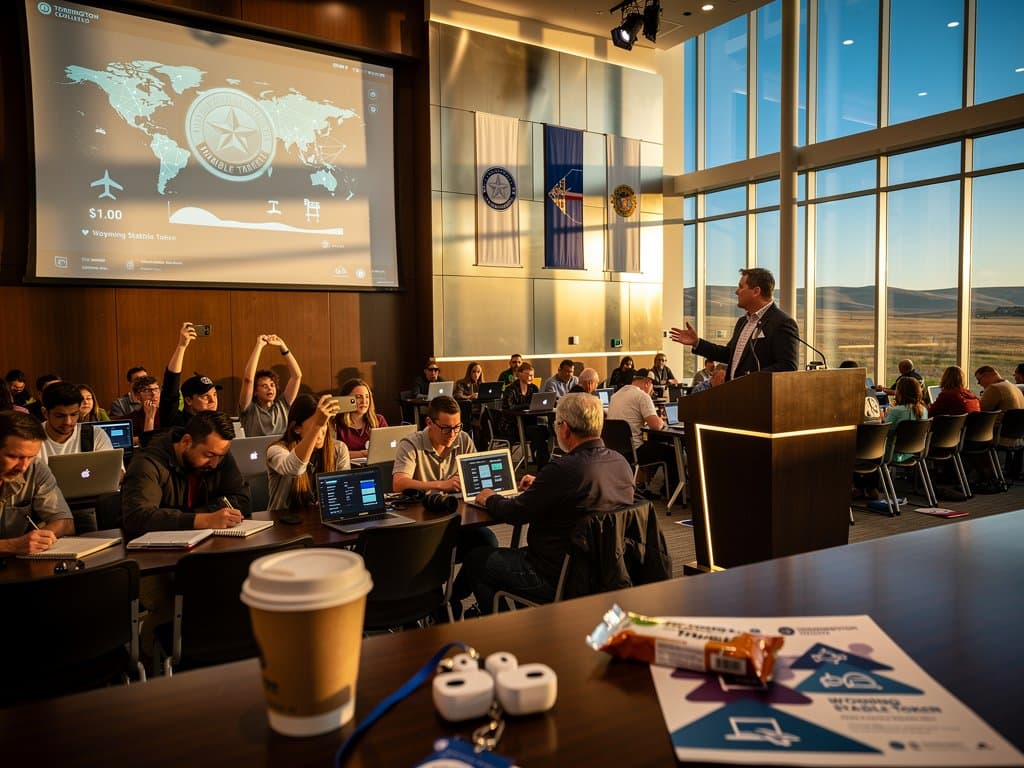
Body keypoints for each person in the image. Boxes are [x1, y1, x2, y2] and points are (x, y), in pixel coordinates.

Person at [459, 393, 636, 614]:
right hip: (604, 571)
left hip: (554, 575)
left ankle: (502, 626)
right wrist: (542, 485)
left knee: (477, 559)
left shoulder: (563, 469)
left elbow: (515, 513)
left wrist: (490, 497)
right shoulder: (621, 463)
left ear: (565, 428)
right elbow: (580, 496)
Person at [121, 411, 250, 538]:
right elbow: (137, 518)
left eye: (220, 456)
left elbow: (242, 499)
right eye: (208, 455)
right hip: (155, 553)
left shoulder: (218, 455)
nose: (215, 464)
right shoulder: (147, 464)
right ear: (186, 441)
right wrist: (202, 520)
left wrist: (199, 515)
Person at [670, 267, 799, 380]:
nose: (736, 292)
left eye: (741, 287)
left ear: (756, 291)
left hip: (760, 399)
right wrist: (697, 342)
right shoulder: (743, 322)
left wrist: (749, 378)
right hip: (736, 396)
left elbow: (788, 365)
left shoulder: (782, 322)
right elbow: (729, 355)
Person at [0, 411, 74, 555]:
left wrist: (37, 540)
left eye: (30, 457)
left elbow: (65, 523)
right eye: (13, 457)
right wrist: (12, 546)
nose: (23, 467)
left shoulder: (35, 467)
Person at [267, 394, 350, 511]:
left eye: (324, 424)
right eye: (316, 424)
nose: (321, 432)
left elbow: (343, 493)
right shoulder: (276, 450)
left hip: (322, 521)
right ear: (296, 428)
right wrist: (317, 425)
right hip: (285, 523)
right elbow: (294, 469)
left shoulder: (339, 449)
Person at [853, 377, 928, 500]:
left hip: (892, 453)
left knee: (866, 451)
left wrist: (882, 418)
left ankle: (861, 488)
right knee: (874, 452)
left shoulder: (897, 411)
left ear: (901, 392)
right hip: (913, 452)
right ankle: (869, 489)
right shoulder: (923, 410)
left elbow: (884, 431)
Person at [607, 368, 676, 494]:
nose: (652, 391)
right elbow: (656, 426)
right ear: (647, 382)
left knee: (654, 444)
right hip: (634, 451)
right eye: (652, 386)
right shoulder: (642, 396)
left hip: (615, 449)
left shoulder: (615, 396)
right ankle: (672, 492)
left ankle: (645, 485)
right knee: (671, 452)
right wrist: (661, 420)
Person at [392, 396, 476, 493]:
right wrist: (441, 485)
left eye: (457, 427)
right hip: (422, 506)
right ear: (429, 423)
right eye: (446, 428)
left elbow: (476, 475)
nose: (452, 434)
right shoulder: (410, 444)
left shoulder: (463, 439)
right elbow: (399, 484)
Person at [158, 322, 222, 435]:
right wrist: (181, 346)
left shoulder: (217, 422)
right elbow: (170, 387)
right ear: (188, 400)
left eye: (214, 394)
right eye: (205, 396)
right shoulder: (176, 420)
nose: (213, 401)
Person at [238, 334, 303, 437]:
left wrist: (283, 346)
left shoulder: (283, 404)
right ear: (255, 391)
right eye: (264, 386)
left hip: (283, 451)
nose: (270, 388)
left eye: (272, 385)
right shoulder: (249, 409)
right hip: (256, 452)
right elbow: (248, 379)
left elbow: (297, 376)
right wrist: (259, 345)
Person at [36, 382, 117, 464]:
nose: (68, 422)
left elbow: (116, 471)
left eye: (74, 414)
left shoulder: (95, 435)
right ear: (45, 413)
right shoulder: (31, 437)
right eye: (60, 416)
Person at [498, 361, 550, 468]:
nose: (531, 377)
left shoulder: (533, 388)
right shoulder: (511, 389)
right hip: (512, 426)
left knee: (543, 430)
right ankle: (541, 465)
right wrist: (527, 406)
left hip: (528, 423)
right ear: (520, 374)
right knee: (539, 432)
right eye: (529, 375)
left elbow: (536, 403)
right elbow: (509, 407)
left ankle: (541, 462)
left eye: (532, 375)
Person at [334, 378, 388, 459]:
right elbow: (333, 453)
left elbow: (387, 448)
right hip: (348, 468)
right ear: (346, 399)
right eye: (358, 397)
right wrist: (363, 453)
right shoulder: (335, 423)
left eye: (367, 397)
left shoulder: (379, 420)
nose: (364, 401)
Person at [128, 375, 162, 445]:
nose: (153, 394)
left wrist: (138, 439)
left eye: (156, 389)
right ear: (137, 395)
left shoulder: (168, 414)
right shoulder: (132, 419)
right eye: (147, 390)